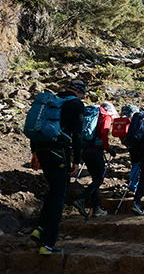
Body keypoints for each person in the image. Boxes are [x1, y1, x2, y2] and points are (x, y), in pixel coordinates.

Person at [29, 78, 86, 255]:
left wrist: (34, 152)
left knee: (54, 190)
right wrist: (77, 160)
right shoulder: (76, 104)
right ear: (81, 92)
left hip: (41, 147)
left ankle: (40, 229)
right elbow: (77, 135)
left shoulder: (51, 100)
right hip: (59, 150)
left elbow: (37, 126)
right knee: (60, 193)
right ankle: (47, 243)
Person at [73, 102, 117, 219]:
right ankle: (82, 199)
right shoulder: (105, 116)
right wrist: (108, 148)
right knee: (99, 179)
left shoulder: (90, 115)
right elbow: (104, 132)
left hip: (85, 150)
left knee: (95, 179)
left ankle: (96, 209)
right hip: (96, 151)